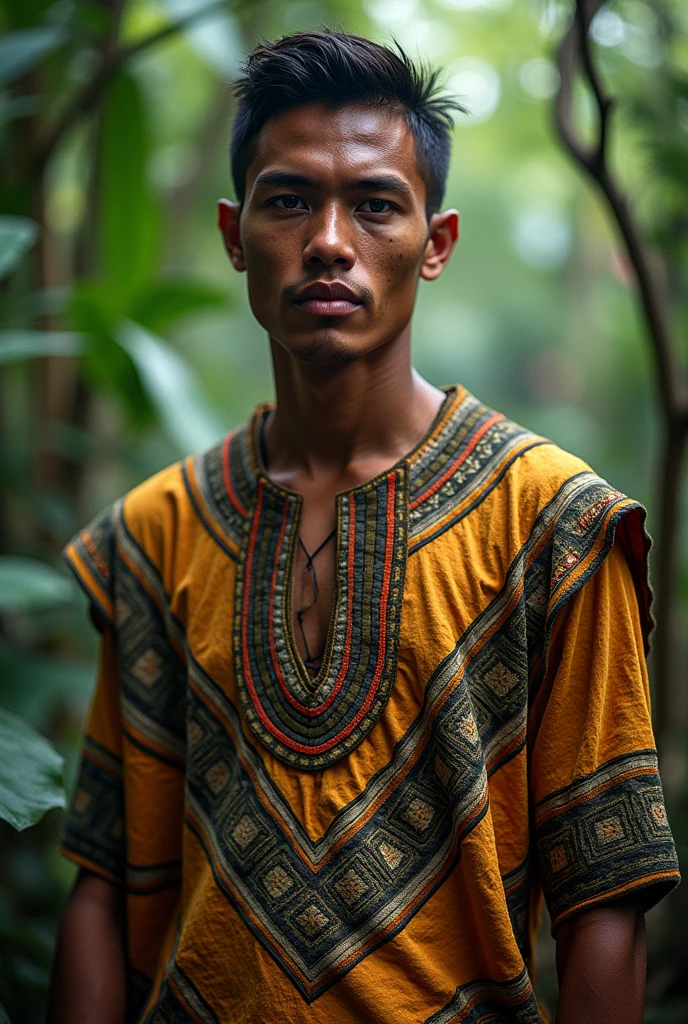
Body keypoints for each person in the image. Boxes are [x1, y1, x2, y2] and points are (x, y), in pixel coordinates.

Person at [48, 30, 680, 1024]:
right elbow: (111, 878)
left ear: (435, 243)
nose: (329, 240)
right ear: (232, 230)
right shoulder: (157, 531)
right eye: (289, 199)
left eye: (375, 204)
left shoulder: (555, 527)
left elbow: (603, 903)